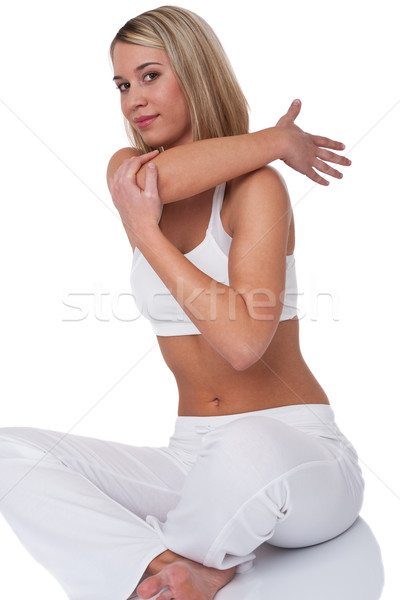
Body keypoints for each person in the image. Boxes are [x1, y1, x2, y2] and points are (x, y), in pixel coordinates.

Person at [0, 6, 364, 600]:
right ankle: (172, 567)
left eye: (149, 76)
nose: (132, 100)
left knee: (248, 447)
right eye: (122, 84)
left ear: (194, 73)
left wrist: (148, 237)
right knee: (8, 451)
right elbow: (156, 184)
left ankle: (177, 561)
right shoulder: (128, 170)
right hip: (192, 455)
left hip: (295, 454)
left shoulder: (256, 189)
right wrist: (274, 139)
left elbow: (244, 344)